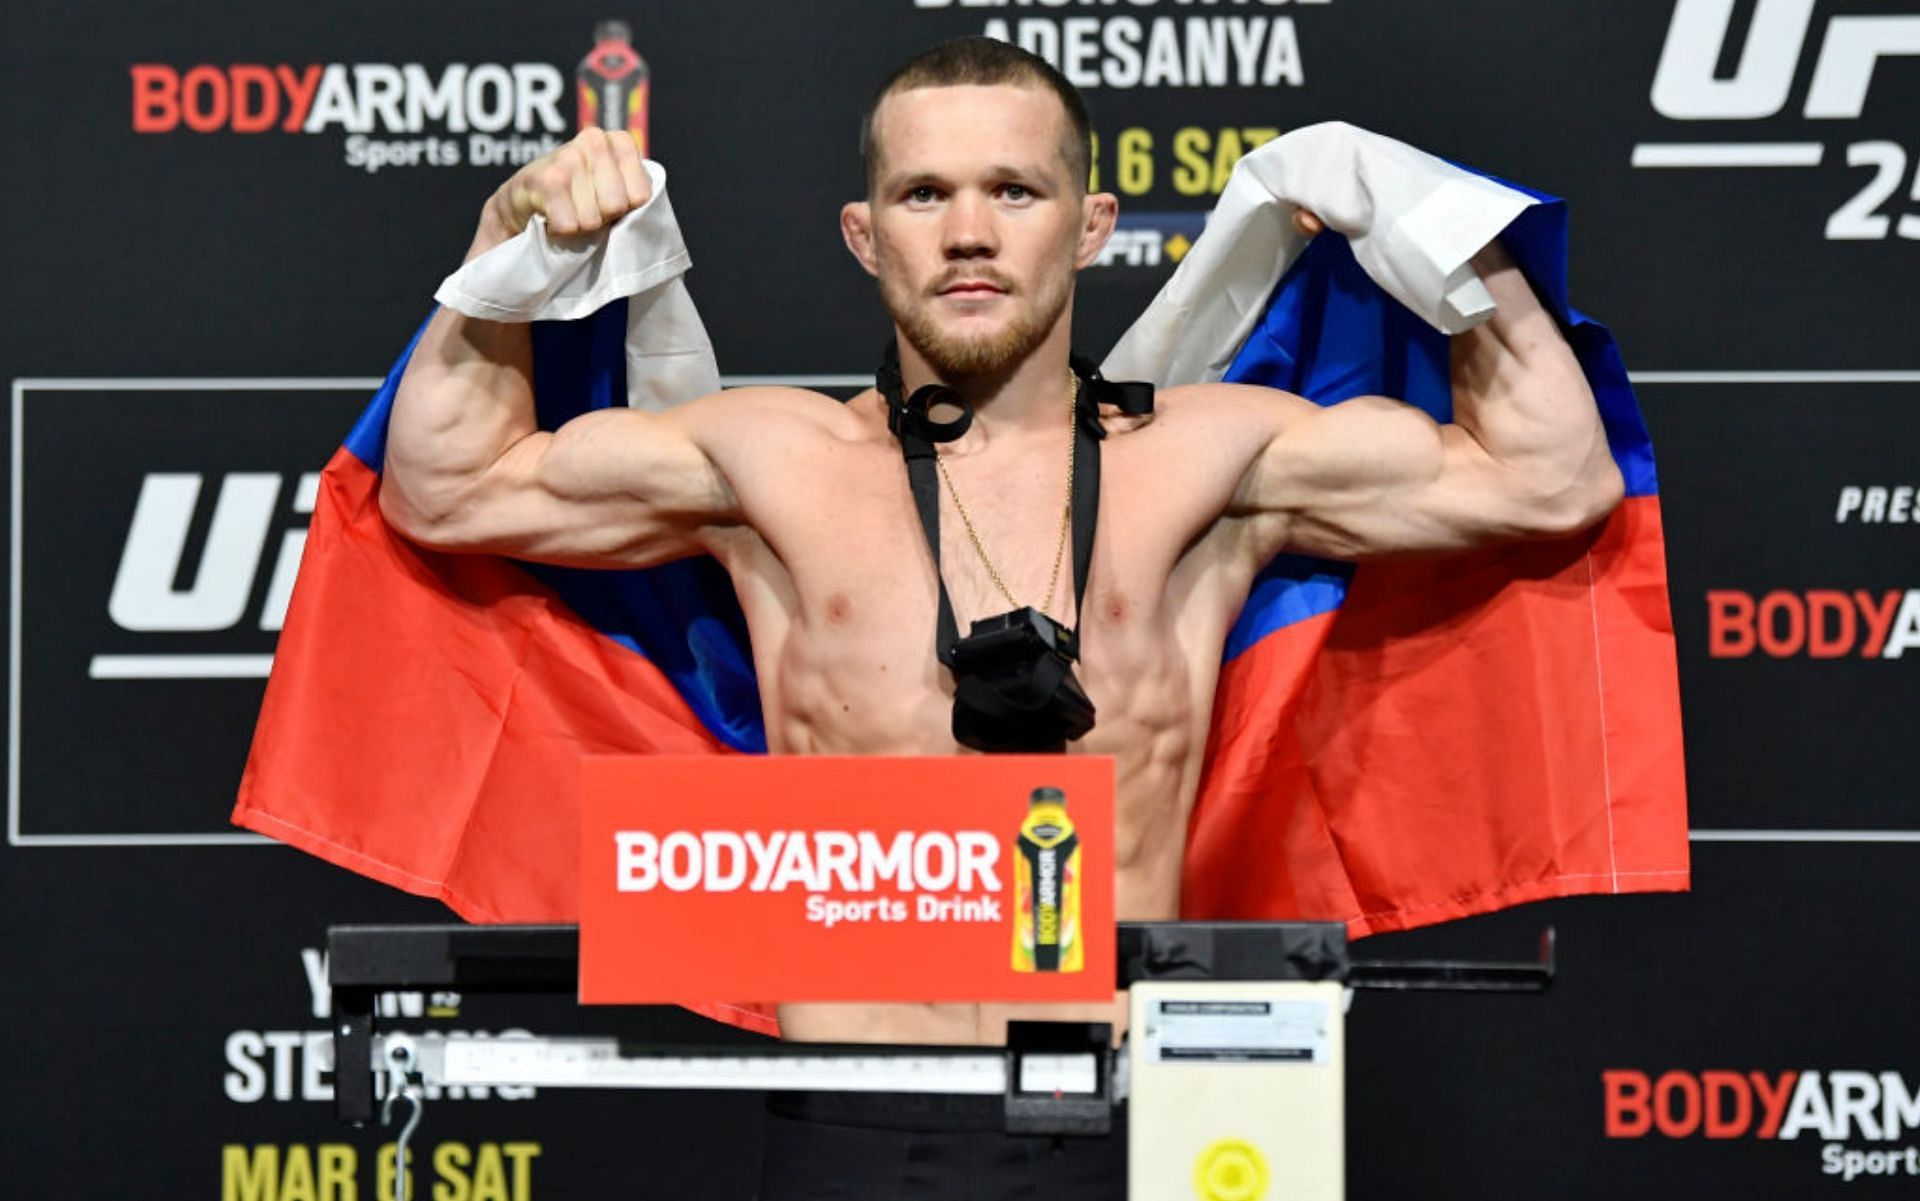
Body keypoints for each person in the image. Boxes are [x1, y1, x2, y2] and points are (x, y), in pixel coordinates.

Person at [379, 36, 1622, 1198]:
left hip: (1148, 1112)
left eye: (1014, 193)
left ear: (1092, 226)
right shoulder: (768, 460)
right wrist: (509, 250)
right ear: (865, 236)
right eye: (924, 196)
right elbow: (444, 485)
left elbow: (1554, 476)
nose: (968, 234)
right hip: (854, 1115)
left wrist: (1432, 224)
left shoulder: (1215, 458)